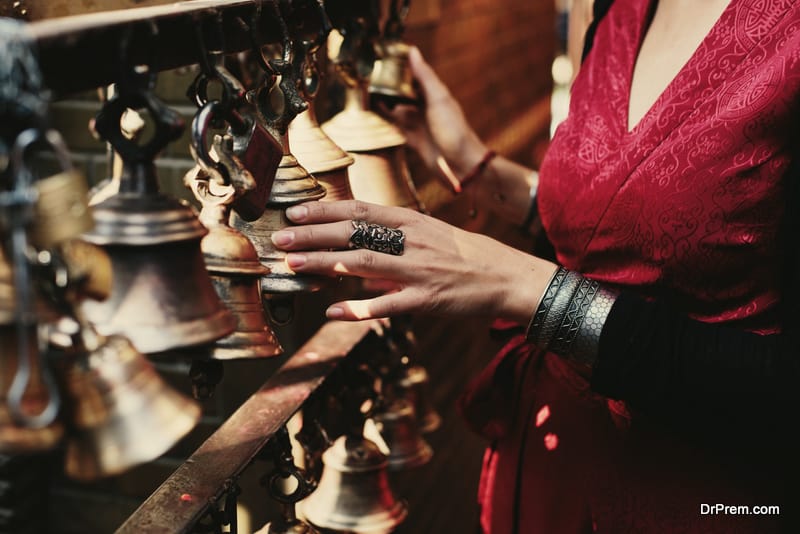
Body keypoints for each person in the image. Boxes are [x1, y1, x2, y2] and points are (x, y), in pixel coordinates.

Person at [272, 0, 800, 532]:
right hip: (550, 462)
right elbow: (616, 239)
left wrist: (531, 290)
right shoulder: (620, 8)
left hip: (694, 494)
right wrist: (471, 163)